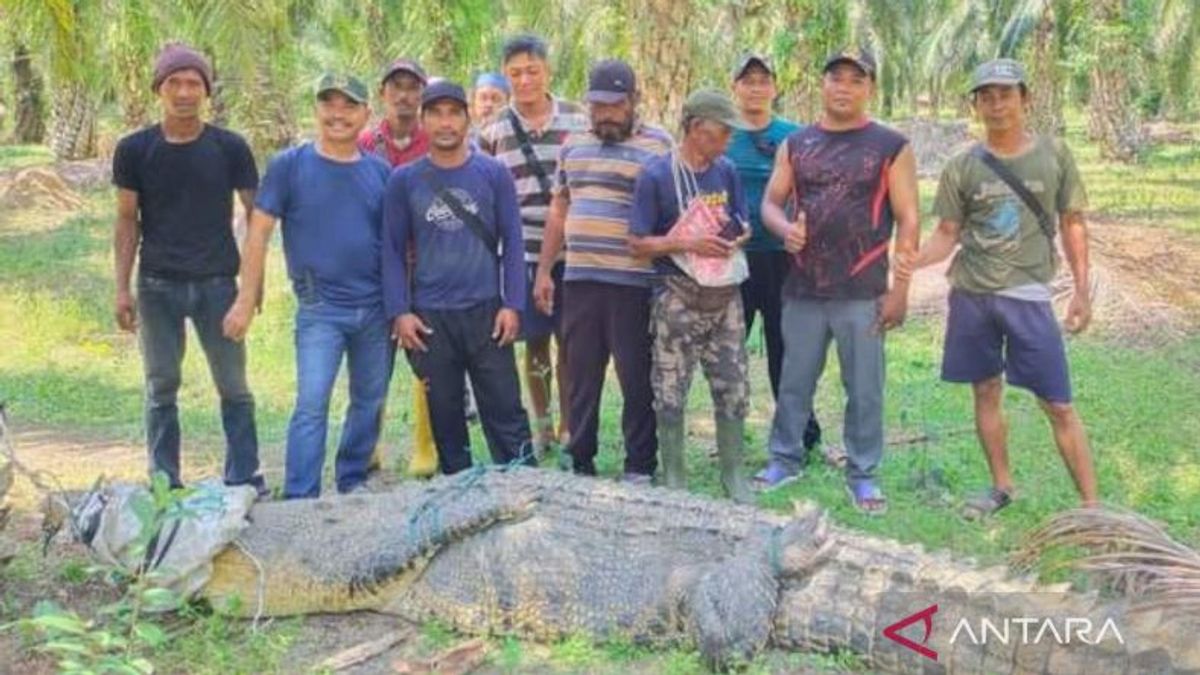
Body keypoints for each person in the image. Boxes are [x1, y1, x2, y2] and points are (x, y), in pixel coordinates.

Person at [899, 59, 1097, 517]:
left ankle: (1091, 507)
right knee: (985, 390)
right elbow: (948, 233)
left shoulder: (1054, 155)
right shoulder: (962, 165)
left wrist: (1082, 290)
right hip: (972, 295)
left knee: (1058, 404)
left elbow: (1073, 223)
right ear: (975, 105)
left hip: (1028, 296)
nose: (996, 104)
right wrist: (915, 259)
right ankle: (1002, 486)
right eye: (986, 96)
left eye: (1005, 94)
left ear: (1025, 99)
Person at [753, 49, 919, 515]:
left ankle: (863, 473)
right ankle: (785, 458)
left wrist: (901, 289)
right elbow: (770, 203)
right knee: (794, 381)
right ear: (822, 84)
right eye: (836, 78)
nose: (844, 87)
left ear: (869, 88)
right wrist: (785, 230)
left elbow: (909, 221)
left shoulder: (891, 145)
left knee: (864, 388)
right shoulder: (797, 144)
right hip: (803, 288)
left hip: (863, 291)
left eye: (855, 79)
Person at [223, 73, 391, 498]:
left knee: (369, 401)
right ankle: (301, 496)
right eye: (328, 103)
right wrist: (245, 300)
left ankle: (352, 480)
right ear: (316, 109)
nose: (338, 113)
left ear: (365, 115)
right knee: (312, 406)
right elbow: (258, 233)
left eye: (349, 105)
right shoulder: (290, 166)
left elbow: (395, 245)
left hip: (375, 307)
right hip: (320, 308)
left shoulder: (381, 173)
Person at [112, 43, 265, 495]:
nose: (184, 92)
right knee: (161, 386)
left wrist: (251, 287)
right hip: (157, 286)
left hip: (218, 284)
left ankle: (244, 476)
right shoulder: (135, 150)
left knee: (233, 385)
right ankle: (164, 482)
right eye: (174, 83)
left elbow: (257, 218)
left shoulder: (230, 147)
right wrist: (122, 288)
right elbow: (126, 220)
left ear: (206, 91)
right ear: (159, 89)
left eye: (193, 83)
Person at [383, 81, 533, 475]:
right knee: (446, 418)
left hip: (487, 314)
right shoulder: (404, 180)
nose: (445, 123)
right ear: (423, 120)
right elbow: (393, 250)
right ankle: (458, 497)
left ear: (467, 118)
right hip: (431, 319)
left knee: (506, 413)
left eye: (453, 113)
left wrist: (512, 304)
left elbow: (513, 243)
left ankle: (523, 488)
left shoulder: (493, 173)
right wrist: (400, 312)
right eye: (435, 113)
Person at [534, 60, 672, 483]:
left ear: (634, 101)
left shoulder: (660, 146)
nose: (605, 114)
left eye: (615, 105)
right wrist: (544, 270)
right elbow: (560, 208)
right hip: (579, 280)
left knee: (635, 377)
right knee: (580, 374)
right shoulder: (572, 144)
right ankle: (580, 458)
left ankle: (639, 465)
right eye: (597, 106)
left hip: (634, 283)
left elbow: (671, 212)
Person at [628, 89, 754, 503]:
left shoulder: (727, 171)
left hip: (725, 298)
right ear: (697, 128)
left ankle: (734, 475)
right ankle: (675, 477)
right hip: (677, 297)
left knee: (733, 387)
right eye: (723, 131)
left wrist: (739, 236)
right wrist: (685, 242)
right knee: (669, 390)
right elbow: (638, 244)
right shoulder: (656, 175)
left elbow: (740, 219)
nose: (729, 140)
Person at [479, 34, 588, 456]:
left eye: (532, 71)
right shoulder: (492, 132)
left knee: (571, 342)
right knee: (536, 342)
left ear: (548, 72)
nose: (525, 80)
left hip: (573, 252)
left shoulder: (578, 121)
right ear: (507, 78)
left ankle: (567, 424)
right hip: (520, 253)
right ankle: (541, 425)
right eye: (516, 73)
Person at [726, 53, 822, 451]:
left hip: (784, 259)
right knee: (729, 351)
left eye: (763, 81)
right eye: (747, 81)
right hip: (733, 261)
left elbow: (814, 191)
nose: (755, 88)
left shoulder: (795, 136)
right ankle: (730, 433)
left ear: (775, 88)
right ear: (735, 87)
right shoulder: (721, 135)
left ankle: (800, 432)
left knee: (787, 348)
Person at [357, 57, 437, 477]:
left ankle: (425, 447)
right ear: (383, 94)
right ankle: (369, 447)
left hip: (426, 266)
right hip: (375, 265)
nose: (404, 95)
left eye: (412, 87)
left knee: (425, 355)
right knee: (375, 357)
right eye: (396, 87)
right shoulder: (365, 142)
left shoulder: (436, 142)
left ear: (422, 95)